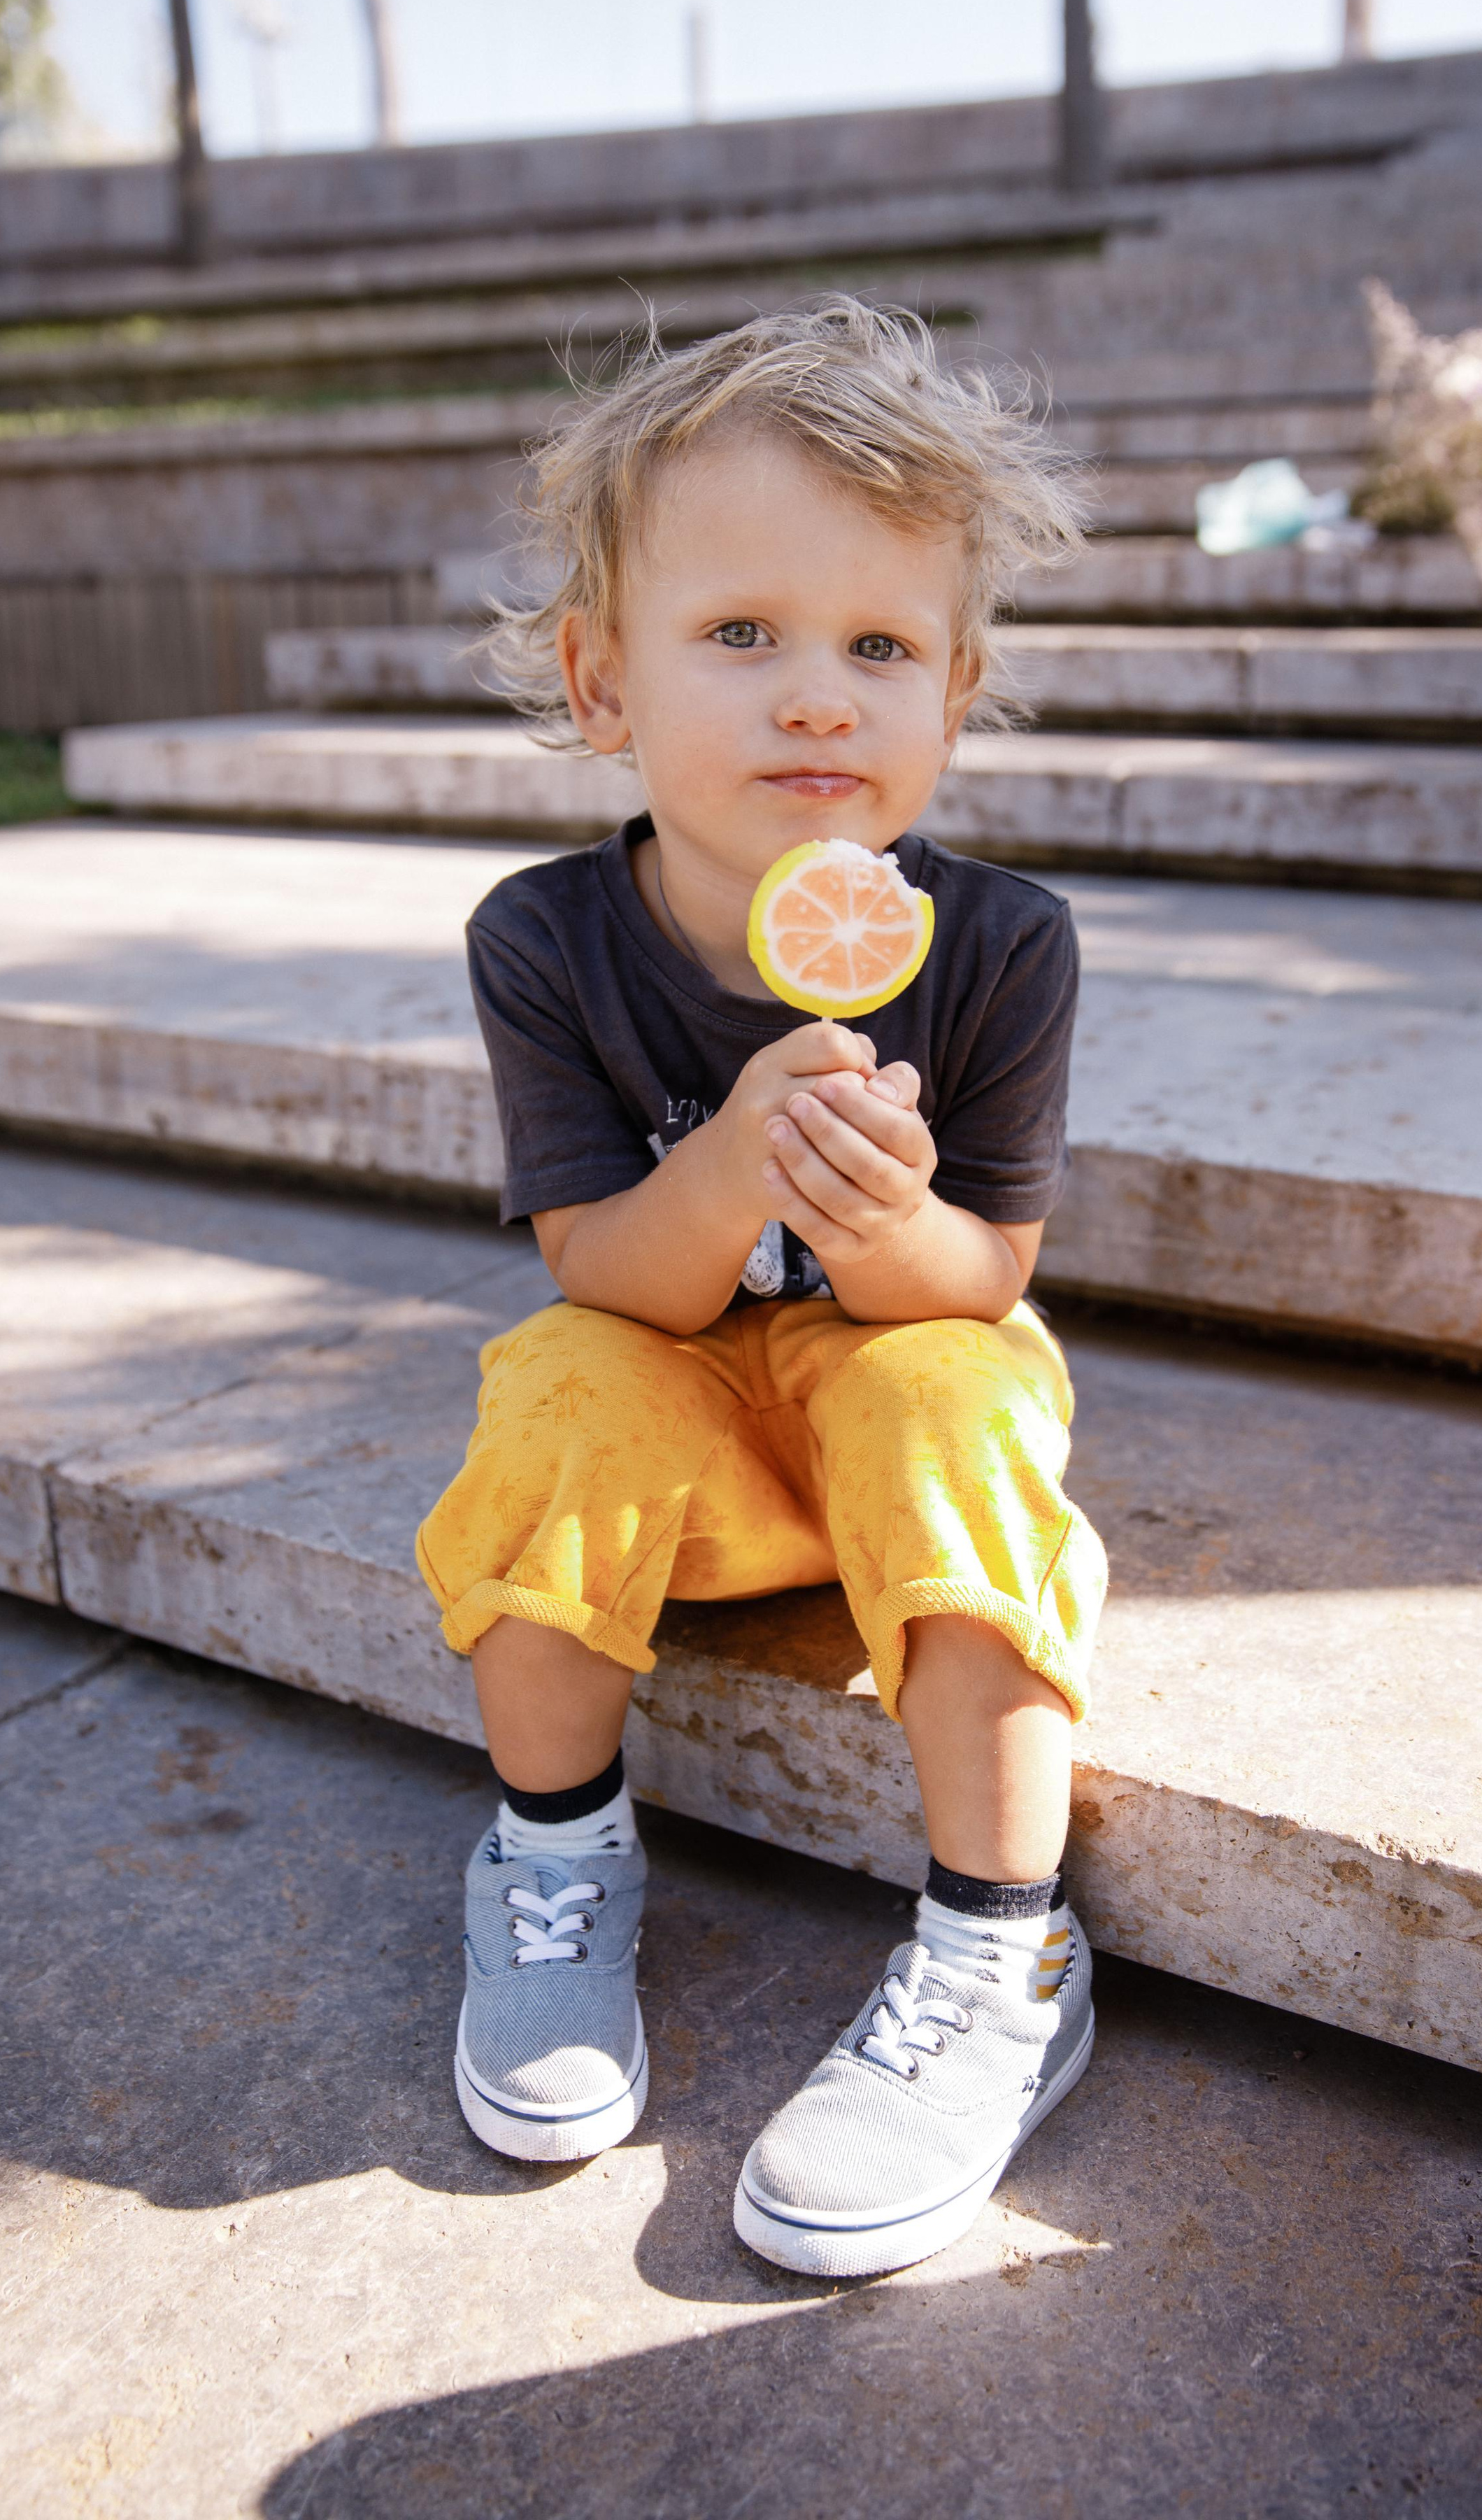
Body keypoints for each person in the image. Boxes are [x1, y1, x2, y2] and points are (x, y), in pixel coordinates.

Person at [415, 297, 1109, 2278]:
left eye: (879, 649)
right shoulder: (544, 940)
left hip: (890, 1401)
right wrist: (726, 1164)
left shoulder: (1000, 950)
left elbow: (988, 1275)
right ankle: (554, 1850)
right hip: (688, 1434)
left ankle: (1000, 1944)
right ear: (598, 675)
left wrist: (882, 1220)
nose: (821, 698)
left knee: (957, 1391)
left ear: (953, 698)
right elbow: (600, 1271)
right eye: (744, 636)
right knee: (547, 1380)